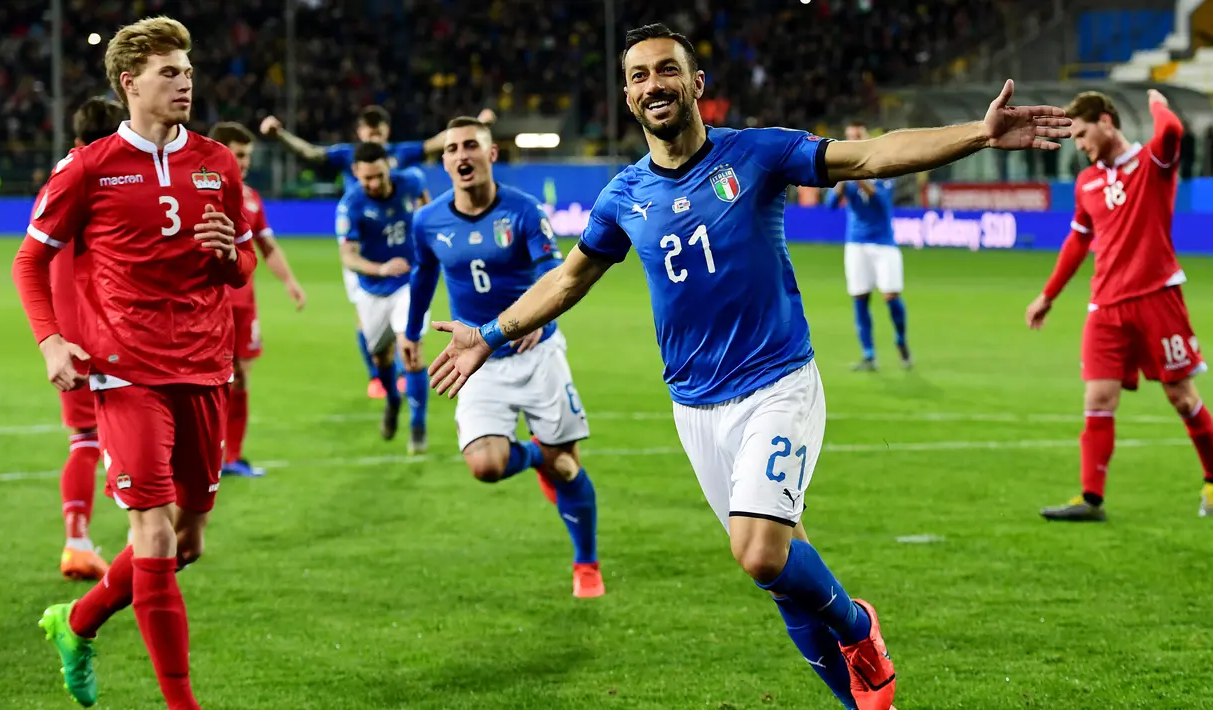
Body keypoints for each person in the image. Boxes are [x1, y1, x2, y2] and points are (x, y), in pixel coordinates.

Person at [425, 23, 1068, 710]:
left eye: (666, 70)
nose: (653, 85)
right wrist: (489, 334)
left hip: (775, 384)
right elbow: (571, 277)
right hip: (694, 406)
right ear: (626, 95)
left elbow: (871, 157)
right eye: (638, 76)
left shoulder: (757, 154)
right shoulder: (623, 196)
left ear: (697, 84)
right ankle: (859, 704)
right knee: (778, 571)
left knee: (759, 550)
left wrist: (976, 133)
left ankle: (857, 624)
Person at [11, 16, 255, 709]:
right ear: (130, 84)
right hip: (126, 369)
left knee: (185, 543)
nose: (185, 83)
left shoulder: (218, 161)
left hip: (206, 364)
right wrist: (53, 340)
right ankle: (182, 704)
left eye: (187, 71)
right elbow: (30, 262)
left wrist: (224, 257)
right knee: (150, 528)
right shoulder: (89, 167)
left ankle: (77, 621)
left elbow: (237, 268)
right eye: (169, 73)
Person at [400, 117, 604, 599]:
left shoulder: (526, 211)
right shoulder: (427, 220)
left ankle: (586, 564)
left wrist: (534, 321)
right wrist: (410, 332)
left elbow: (555, 273)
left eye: (472, 145)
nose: (462, 155)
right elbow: (422, 276)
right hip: (477, 361)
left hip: (537, 353)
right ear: (444, 160)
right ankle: (536, 455)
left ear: (491, 155)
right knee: (487, 465)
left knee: (569, 469)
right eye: (452, 148)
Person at [1027, 89, 1213, 521]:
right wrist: (1048, 295)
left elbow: (1173, 129)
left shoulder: (1153, 164)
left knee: (1182, 397)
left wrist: (1156, 100)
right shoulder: (1087, 182)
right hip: (1105, 306)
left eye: (1084, 134)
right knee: (1098, 397)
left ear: (1107, 121)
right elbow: (1077, 241)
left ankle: (1212, 478)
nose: (1081, 146)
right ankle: (1091, 499)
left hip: (1157, 297)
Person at [261, 106, 494, 400]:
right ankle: (377, 375)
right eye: (371, 134)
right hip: (360, 247)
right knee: (366, 319)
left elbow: (436, 142)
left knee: (405, 321)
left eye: (380, 134)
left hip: (398, 246)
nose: (377, 139)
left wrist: (476, 127)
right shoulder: (348, 156)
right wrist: (280, 134)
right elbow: (311, 154)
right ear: (361, 133)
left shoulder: (400, 155)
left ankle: (401, 376)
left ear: (387, 133)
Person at [47, 96, 128, 581]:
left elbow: (32, 261)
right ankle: (144, 534)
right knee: (138, 432)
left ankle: (78, 539)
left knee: (86, 440)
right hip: (111, 329)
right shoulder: (104, 182)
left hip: (66, 334)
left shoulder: (60, 181)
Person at [207, 121, 308, 478]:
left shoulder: (249, 197)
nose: (245, 162)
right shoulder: (196, 191)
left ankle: (232, 457)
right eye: (238, 155)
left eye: (247, 156)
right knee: (208, 381)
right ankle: (208, 455)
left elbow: (267, 246)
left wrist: (290, 282)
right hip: (207, 304)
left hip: (243, 303)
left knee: (240, 378)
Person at [336, 142, 429, 450]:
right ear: (356, 173)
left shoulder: (411, 181)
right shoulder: (351, 205)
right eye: (367, 179)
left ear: (388, 167)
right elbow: (348, 257)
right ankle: (392, 399)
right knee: (381, 356)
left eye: (378, 176)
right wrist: (381, 268)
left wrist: (427, 232)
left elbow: (426, 205)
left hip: (410, 281)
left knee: (410, 348)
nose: (373, 184)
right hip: (373, 289)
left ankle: (418, 427)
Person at [824, 121, 910, 372]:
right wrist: (841, 179)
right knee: (860, 299)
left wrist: (857, 175)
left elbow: (882, 204)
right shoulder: (844, 174)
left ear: (866, 137)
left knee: (891, 296)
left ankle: (900, 340)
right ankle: (869, 354)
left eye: (857, 136)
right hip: (856, 243)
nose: (852, 141)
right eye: (848, 137)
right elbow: (830, 205)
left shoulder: (883, 168)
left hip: (883, 243)